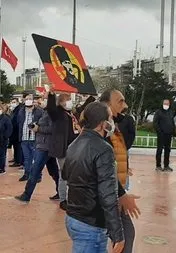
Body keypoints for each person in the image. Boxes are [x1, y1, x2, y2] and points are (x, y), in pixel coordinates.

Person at [63, 102, 125, 253]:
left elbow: (65, 175)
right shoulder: (104, 149)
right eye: (110, 118)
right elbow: (108, 195)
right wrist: (117, 234)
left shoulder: (73, 145)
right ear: (103, 124)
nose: (112, 122)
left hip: (73, 218)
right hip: (90, 224)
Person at [99, 89, 137, 253]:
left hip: (114, 192)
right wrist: (122, 194)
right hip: (107, 195)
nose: (125, 105)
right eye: (120, 101)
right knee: (123, 235)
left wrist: (124, 167)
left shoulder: (114, 127)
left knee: (124, 236)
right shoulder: (101, 131)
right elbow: (103, 169)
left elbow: (115, 157)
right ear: (107, 105)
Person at [15, 108, 60, 202]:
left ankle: (26, 195)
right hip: (44, 145)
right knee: (54, 171)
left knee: (35, 170)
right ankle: (60, 191)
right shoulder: (45, 112)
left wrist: (38, 128)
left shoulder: (52, 113)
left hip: (45, 146)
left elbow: (53, 128)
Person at [47, 90, 80, 211]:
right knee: (64, 175)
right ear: (61, 102)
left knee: (72, 174)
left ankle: (70, 197)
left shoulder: (70, 114)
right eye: (68, 99)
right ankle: (63, 199)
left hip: (72, 149)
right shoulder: (58, 113)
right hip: (62, 149)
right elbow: (50, 109)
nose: (70, 102)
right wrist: (51, 95)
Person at [17, 95, 43, 181]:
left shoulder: (39, 111)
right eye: (26, 99)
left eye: (30, 99)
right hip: (24, 137)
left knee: (36, 158)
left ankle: (37, 175)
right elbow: (19, 123)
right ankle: (26, 173)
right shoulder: (21, 111)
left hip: (34, 138)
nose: (28, 100)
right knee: (27, 158)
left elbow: (42, 123)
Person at [153, 99, 176, 172]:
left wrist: (173, 131)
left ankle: (166, 165)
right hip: (161, 134)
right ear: (162, 104)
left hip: (168, 134)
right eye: (164, 103)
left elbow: (172, 123)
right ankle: (158, 165)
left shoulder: (170, 112)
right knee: (159, 150)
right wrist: (159, 132)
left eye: (167, 104)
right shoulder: (158, 112)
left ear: (169, 104)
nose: (166, 105)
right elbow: (155, 123)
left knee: (167, 150)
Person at [9, 98, 23, 167]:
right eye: (12, 102)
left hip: (16, 131)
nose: (12, 103)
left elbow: (16, 121)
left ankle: (18, 161)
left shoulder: (18, 110)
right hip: (14, 131)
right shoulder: (14, 110)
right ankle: (15, 159)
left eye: (14, 102)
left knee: (17, 147)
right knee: (15, 147)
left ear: (17, 102)